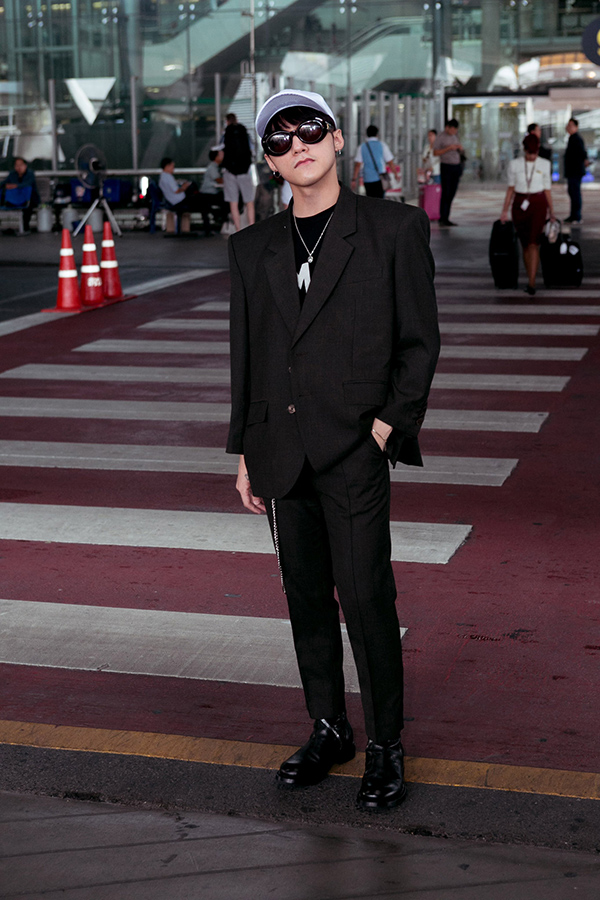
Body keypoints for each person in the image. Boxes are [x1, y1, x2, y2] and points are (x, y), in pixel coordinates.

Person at [226, 89, 440, 811]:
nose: (298, 145)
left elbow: (420, 342)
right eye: (279, 139)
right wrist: (245, 450)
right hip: (281, 451)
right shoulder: (250, 248)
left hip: (354, 449)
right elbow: (249, 356)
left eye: (310, 130)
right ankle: (328, 728)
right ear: (269, 161)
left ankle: (385, 744)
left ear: (338, 139)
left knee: (368, 597)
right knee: (306, 598)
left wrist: (385, 428)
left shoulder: (393, 229)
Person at [500, 133, 555, 295]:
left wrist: (552, 211)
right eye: (530, 153)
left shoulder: (545, 164)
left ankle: (532, 282)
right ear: (524, 150)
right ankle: (531, 275)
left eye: (535, 153)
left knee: (534, 242)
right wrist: (504, 211)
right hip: (520, 205)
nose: (532, 156)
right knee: (525, 243)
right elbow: (510, 189)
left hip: (538, 204)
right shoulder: (514, 165)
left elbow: (547, 189)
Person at [222, 112, 255, 231]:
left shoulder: (226, 133)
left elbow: (221, 150)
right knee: (249, 202)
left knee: (233, 203)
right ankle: (252, 228)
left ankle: (238, 230)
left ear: (227, 121)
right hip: (244, 171)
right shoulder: (244, 132)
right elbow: (252, 149)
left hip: (230, 172)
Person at [351, 125, 398, 198]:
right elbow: (390, 162)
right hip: (380, 177)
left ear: (367, 134)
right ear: (377, 134)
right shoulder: (382, 145)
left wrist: (354, 179)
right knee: (380, 199)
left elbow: (358, 165)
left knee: (370, 198)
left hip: (367, 178)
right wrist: (395, 174)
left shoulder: (362, 147)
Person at [433, 118, 463, 226]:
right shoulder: (441, 137)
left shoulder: (456, 136)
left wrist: (459, 148)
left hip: (456, 165)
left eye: (455, 130)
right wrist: (449, 148)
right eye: (452, 129)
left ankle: (447, 216)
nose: (454, 131)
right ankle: (443, 217)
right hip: (446, 166)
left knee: (452, 192)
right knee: (446, 192)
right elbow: (435, 152)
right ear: (447, 127)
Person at [1, 157, 40, 232]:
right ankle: (10, 228)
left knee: (28, 206)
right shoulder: (12, 174)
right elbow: (4, 183)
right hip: (15, 198)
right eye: (17, 165)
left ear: (25, 166)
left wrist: (15, 186)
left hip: (30, 199)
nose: (19, 167)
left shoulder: (30, 174)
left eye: (21, 165)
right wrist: (5, 185)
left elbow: (27, 184)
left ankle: (25, 227)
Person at [564, 117, 588, 224]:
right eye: (568, 125)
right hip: (573, 172)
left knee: (575, 193)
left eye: (571, 125)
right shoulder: (572, 138)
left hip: (575, 172)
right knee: (572, 193)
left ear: (576, 127)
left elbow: (582, 153)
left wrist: (584, 161)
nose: (568, 127)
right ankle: (573, 215)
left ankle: (576, 216)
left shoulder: (576, 139)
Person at [199, 146, 228, 235]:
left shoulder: (216, 167)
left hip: (210, 193)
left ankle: (219, 217)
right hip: (207, 194)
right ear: (216, 157)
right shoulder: (212, 167)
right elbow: (219, 180)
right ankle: (221, 219)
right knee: (226, 201)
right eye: (221, 155)